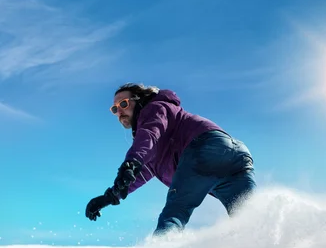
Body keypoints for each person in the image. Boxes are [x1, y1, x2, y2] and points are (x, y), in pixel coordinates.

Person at [85, 83, 256, 236]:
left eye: (123, 104)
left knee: (176, 211)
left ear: (139, 100)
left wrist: (132, 161)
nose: (119, 111)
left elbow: (150, 133)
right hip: (235, 156)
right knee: (248, 218)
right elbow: (140, 173)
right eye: (114, 109)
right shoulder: (155, 146)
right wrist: (108, 197)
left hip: (205, 147)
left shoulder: (154, 109)